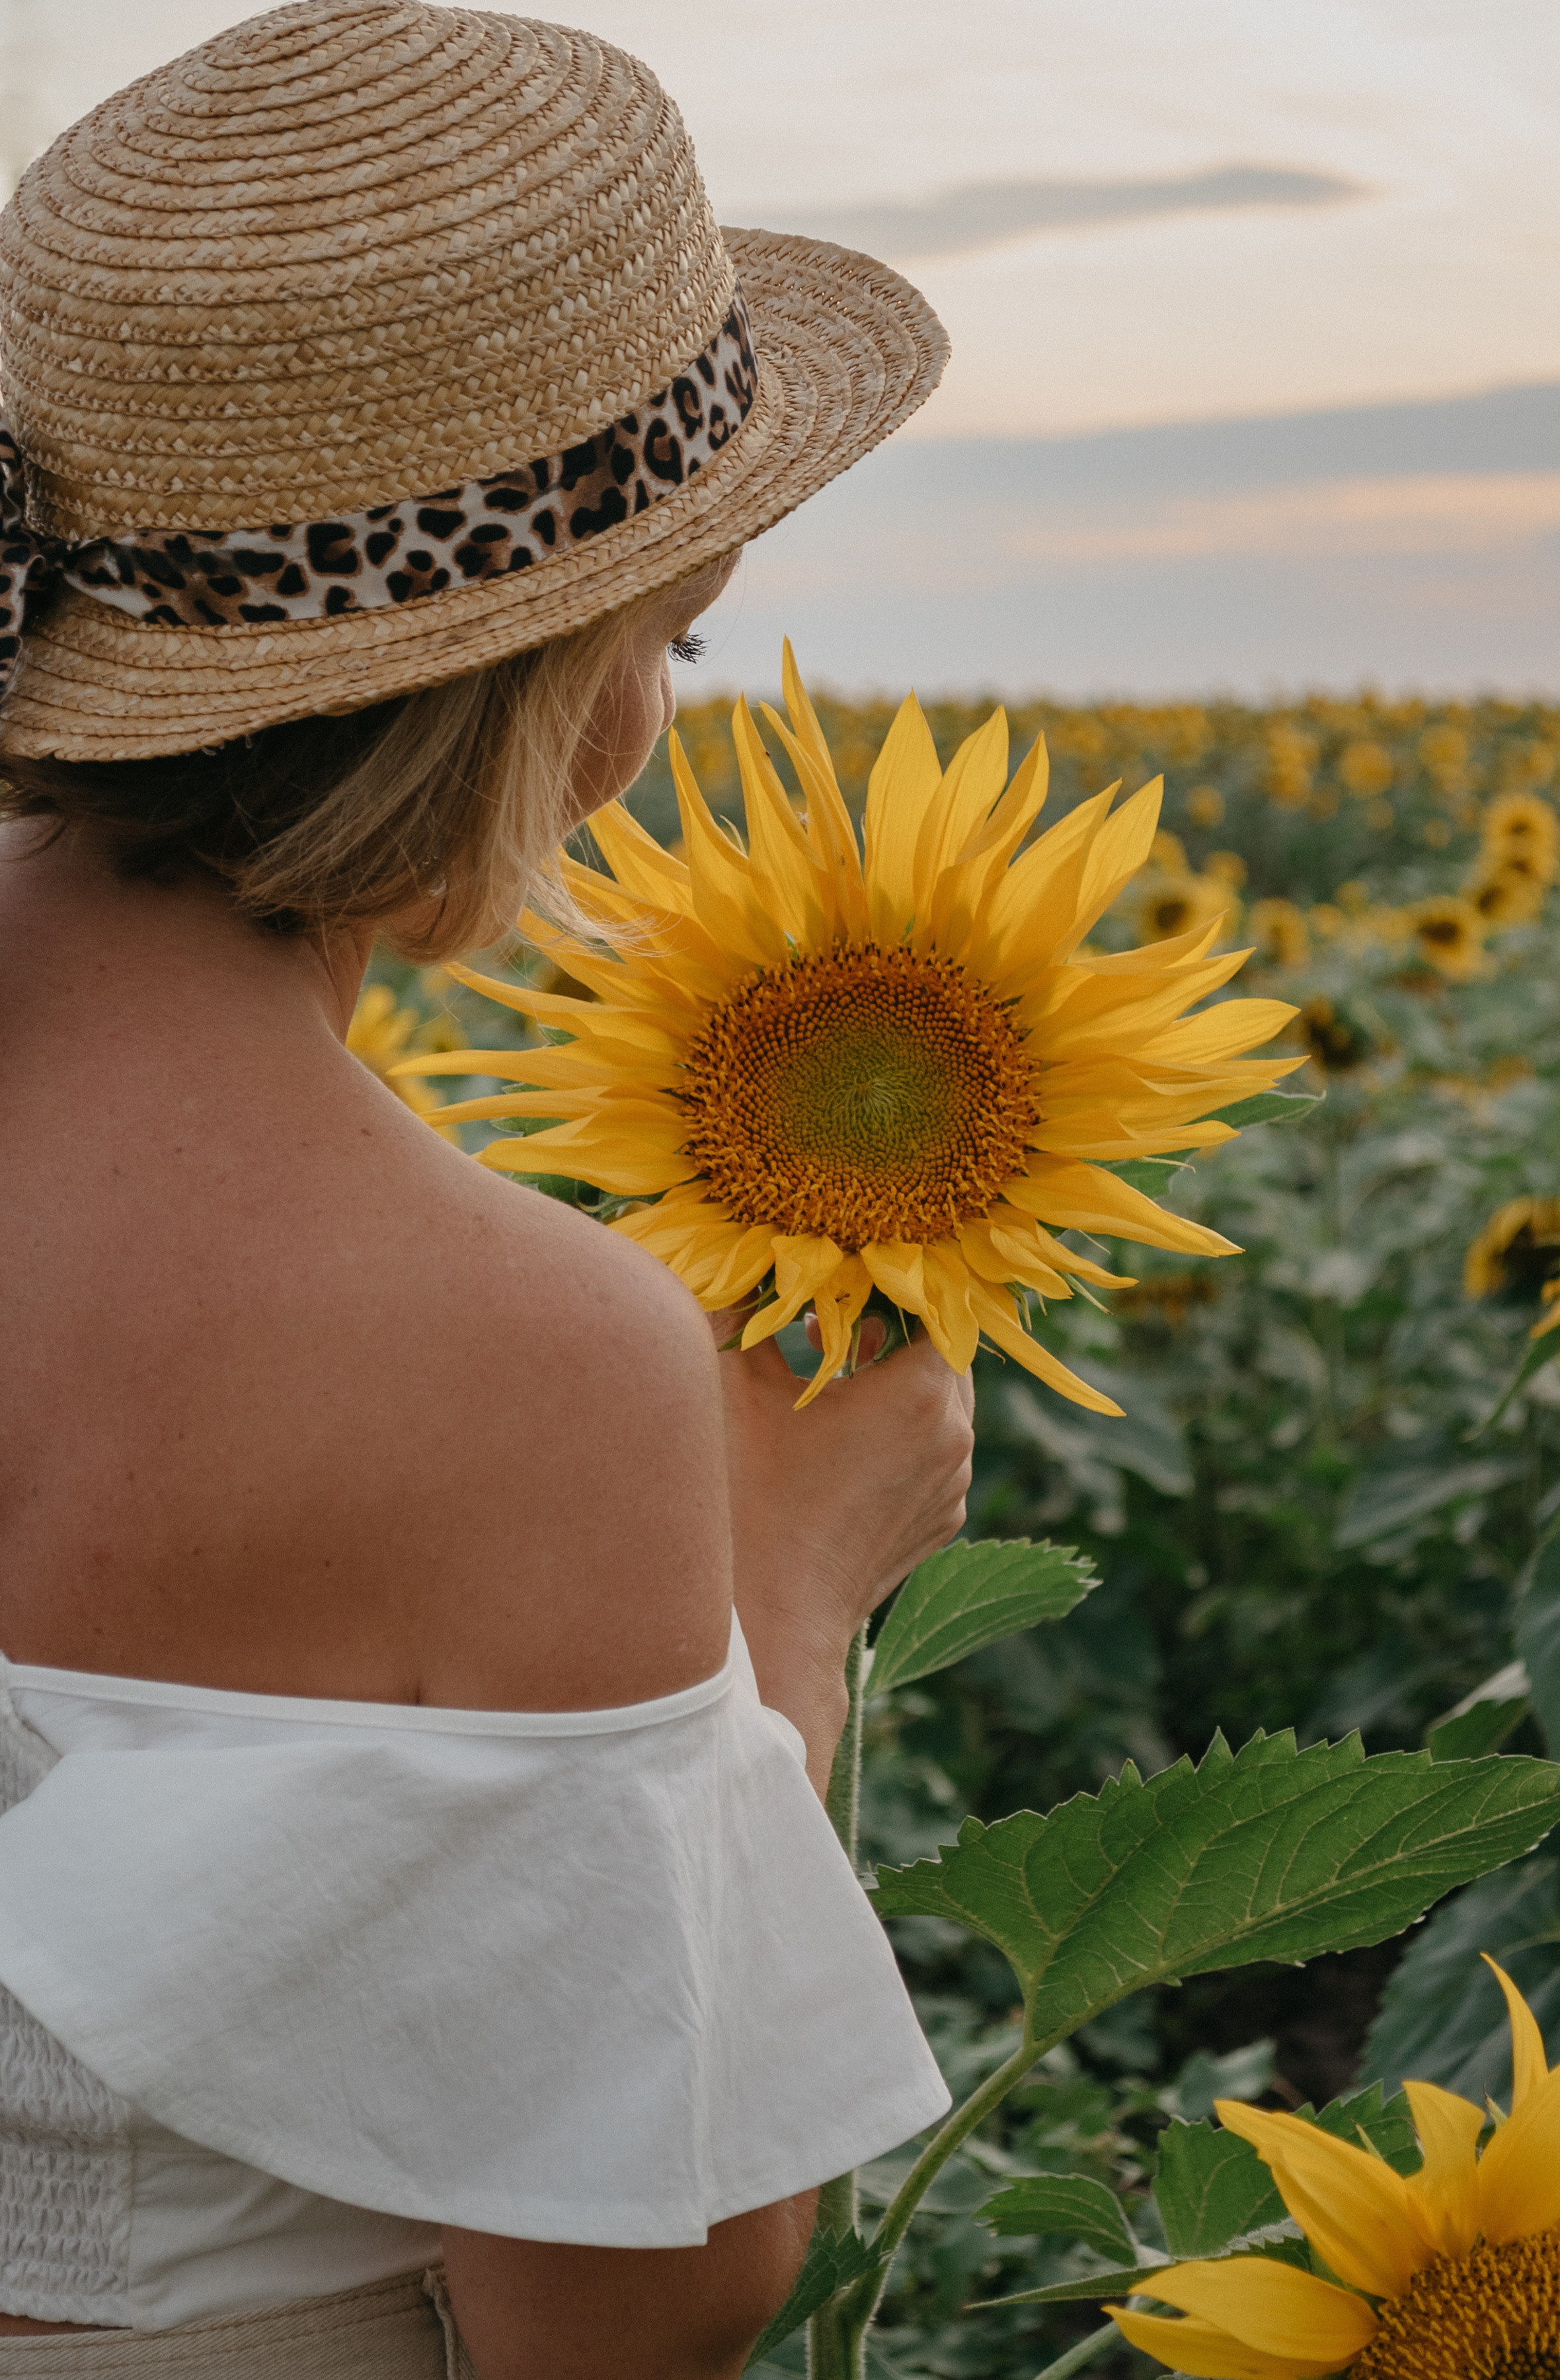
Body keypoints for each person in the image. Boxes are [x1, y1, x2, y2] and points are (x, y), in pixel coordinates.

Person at [0, 3, 972, 2375]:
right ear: (560, 681)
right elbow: (635, 2308)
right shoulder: (519, 1359)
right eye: (676, 627)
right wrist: (798, 1594)